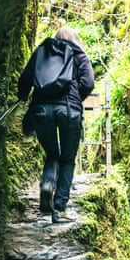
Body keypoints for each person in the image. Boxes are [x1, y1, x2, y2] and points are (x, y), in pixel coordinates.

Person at [18, 26, 94, 223]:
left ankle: (46, 184)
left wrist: (23, 96)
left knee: (53, 154)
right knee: (67, 159)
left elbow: (26, 78)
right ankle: (59, 207)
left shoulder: (42, 51)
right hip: (69, 110)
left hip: (41, 111)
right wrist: (77, 97)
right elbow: (88, 82)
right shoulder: (79, 55)